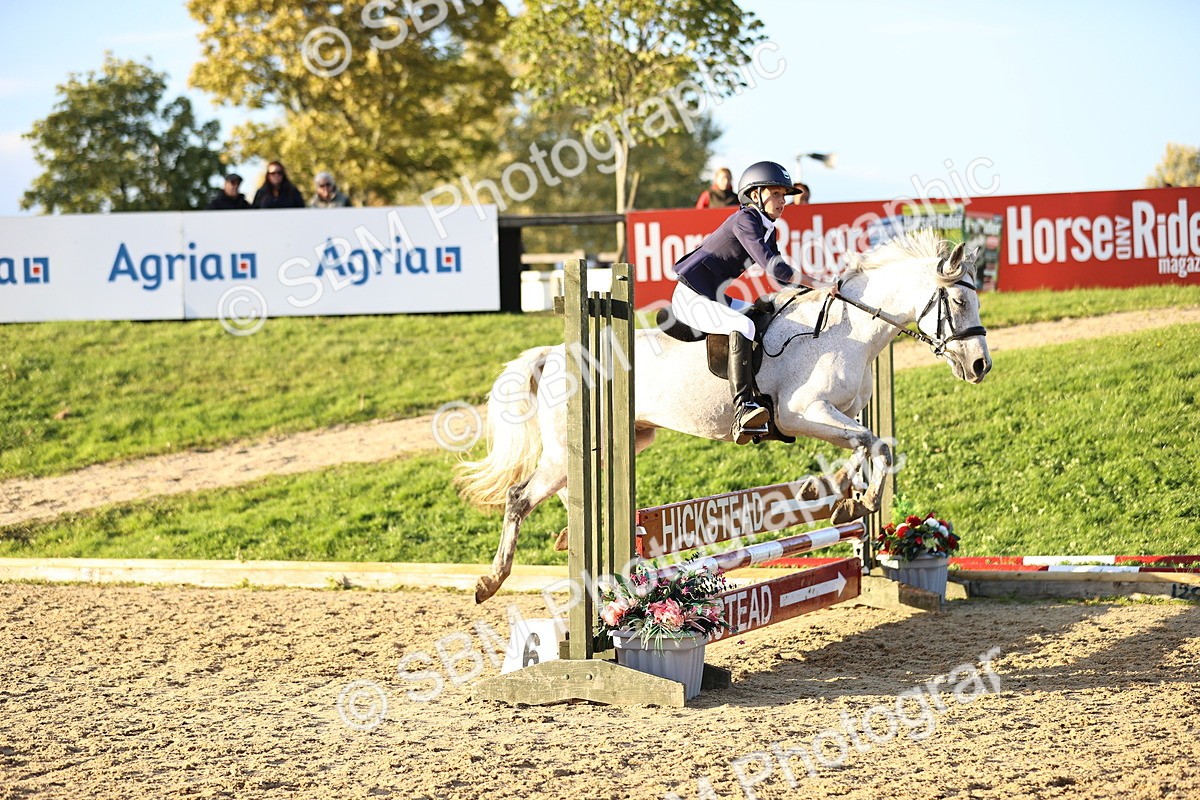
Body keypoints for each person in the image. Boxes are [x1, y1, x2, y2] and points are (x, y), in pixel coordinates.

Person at [670, 161, 837, 445]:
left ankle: (765, 399)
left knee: (766, 313)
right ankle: (742, 408)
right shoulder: (745, 220)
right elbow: (775, 269)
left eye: (785, 195)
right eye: (776, 194)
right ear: (755, 194)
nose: (783, 201)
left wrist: (812, 292)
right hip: (691, 297)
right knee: (744, 325)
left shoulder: (768, 227)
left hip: (714, 296)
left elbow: (782, 279)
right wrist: (819, 285)